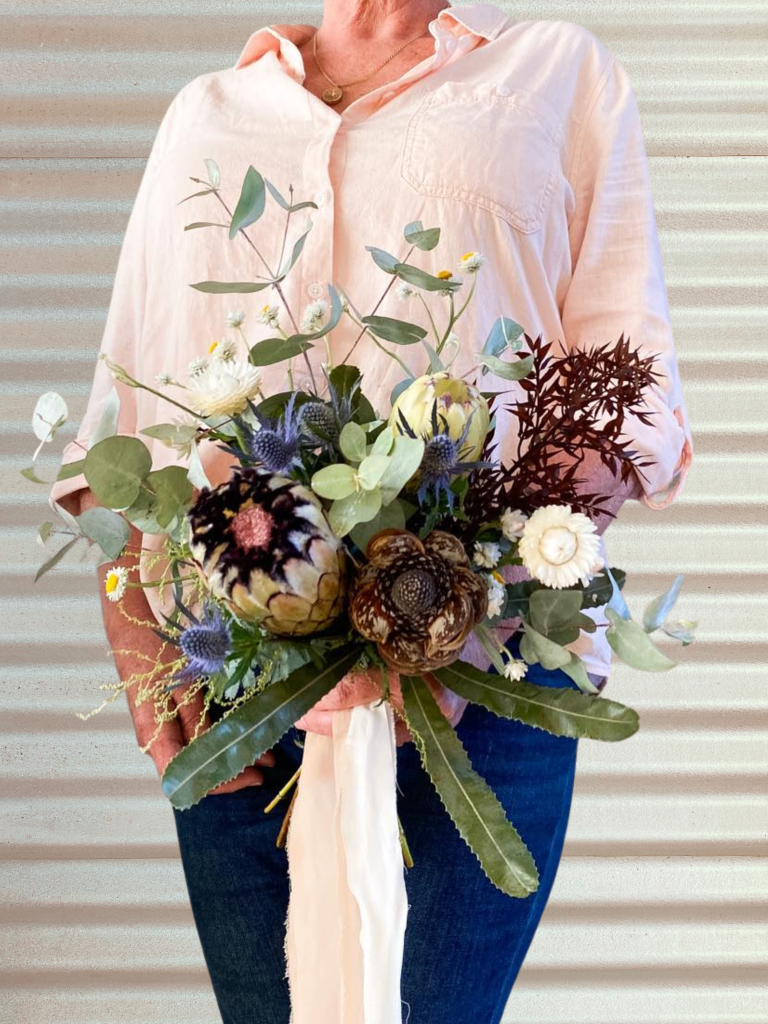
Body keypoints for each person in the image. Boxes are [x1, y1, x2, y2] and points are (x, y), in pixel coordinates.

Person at [50, 2, 693, 1021]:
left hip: (481, 689)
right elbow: (119, 430)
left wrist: (460, 594)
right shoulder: (208, 116)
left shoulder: (553, 74)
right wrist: (140, 655)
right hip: (244, 703)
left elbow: (630, 397)